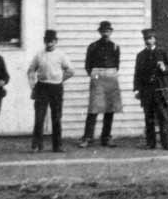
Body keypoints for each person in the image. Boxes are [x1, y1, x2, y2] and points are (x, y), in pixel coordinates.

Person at [28, 29, 75, 153]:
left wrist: (60, 80)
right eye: (47, 41)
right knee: (39, 117)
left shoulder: (61, 55)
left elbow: (70, 71)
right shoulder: (39, 55)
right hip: (42, 87)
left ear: (56, 42)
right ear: (44, 41)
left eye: (52, 41)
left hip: (56, 88)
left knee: (56, 117)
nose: (49, 44)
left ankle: (57, 146)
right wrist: (32, 85)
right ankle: (36, 145)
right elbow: (31, 70)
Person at [79, 20, 123, 148]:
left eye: (108, 31)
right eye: (103, 31)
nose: (106, 33)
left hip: (111, 76)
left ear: (111, 32)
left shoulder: (115, 47)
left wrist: (110, 74)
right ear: (99, 32)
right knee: (94, 108)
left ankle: (106, 137)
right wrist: (95, 76)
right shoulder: (93, 46)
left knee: (110, 109)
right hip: (97, 76)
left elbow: (117, 65)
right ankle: (87, 137)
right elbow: (88, 65)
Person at [134, 28, 168, 150]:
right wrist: (137, 89)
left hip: (159, 90)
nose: (148, 41)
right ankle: (151, 143)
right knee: (148, 118)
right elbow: (137, 74)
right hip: (146, 91)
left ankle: (166, 144)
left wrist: (164, 68)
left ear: (155, 39)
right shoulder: (140, 55)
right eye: (146, 39)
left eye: (150, 38)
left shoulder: (162, 52)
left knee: (163, 117)